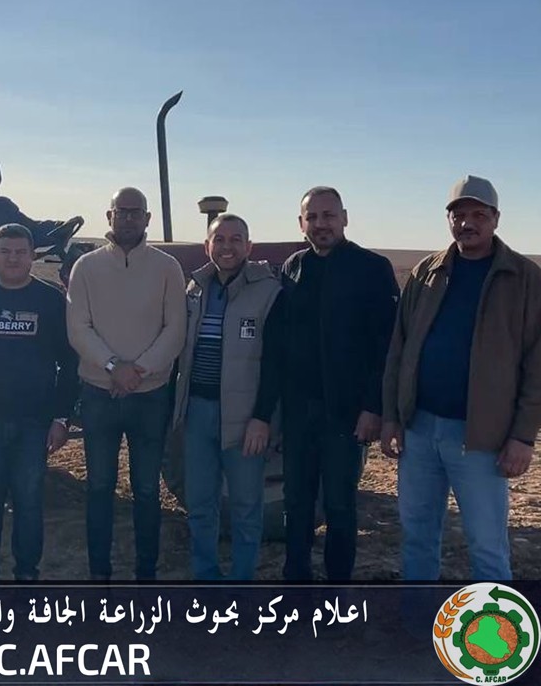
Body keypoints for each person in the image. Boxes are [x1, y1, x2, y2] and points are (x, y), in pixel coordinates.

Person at [381, 175, 541, 581]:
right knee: (417, 536)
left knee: (487, 545)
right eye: (459, 215)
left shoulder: (525, 278)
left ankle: (494, 622)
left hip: (482, 438)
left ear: (496, 219)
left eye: (478, 215)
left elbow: (537, 366)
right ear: (449, 219)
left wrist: (523, 436)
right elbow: (399, 348)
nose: (467, 223)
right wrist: (392, 417)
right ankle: (418, 614)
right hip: (419, 430)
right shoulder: (427, 271)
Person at [66, 186, 186, 581]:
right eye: (122, 211)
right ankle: (99, 574)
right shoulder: (86, 267)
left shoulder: (167, 267)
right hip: (99, 394)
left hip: (150, 396)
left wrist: (138, 371)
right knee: (100, 486)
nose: (129, 218)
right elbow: (78, 327)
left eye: (136, 212)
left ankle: (145, 573)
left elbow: (175, 329)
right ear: (109, 216)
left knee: (147, 489)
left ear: (148, 218)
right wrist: (114, 366)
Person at [281, 186, 398, 581]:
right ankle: (296, 583)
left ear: (344, 218)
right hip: (299, 412)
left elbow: (386, 346)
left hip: (346, 414)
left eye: (328, 215)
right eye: (312, 217)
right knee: (296, 503)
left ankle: (338, 589)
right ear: (301, 224)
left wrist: (373, 407)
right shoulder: (293, 267)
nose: (321, 224)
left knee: (339, 505)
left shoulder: (372, 269)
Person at [0, 223, 78, 580]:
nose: (13, 259)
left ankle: (27, 574)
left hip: (33, 422)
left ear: (31, 257)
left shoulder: (50, 300)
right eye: (6, 252)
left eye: (20, 252)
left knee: (28, 500)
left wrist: (61, 417)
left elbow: (69, 362)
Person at [170, 213, 284, 580]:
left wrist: (261, 418)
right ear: (208, 246)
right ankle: (206, 575)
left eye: (236, 239)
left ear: (249, 247)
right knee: (201, 502)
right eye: (219, 239)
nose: (227, 247)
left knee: (246, 504)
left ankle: (242, 580)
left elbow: (276, 362)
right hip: (197, 414)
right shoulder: (195, 289)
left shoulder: (269, 293)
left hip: (244, 417)